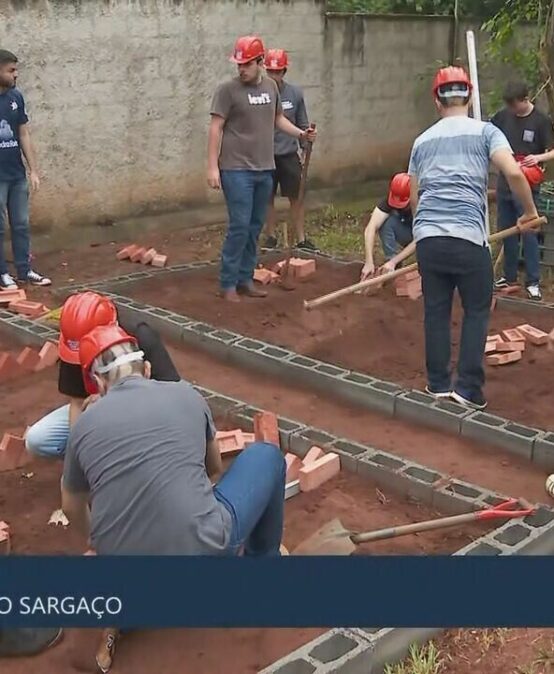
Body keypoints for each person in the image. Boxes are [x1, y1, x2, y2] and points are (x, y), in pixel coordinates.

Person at [381, 66, 537, 410]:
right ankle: (467, 390)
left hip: (430, 239)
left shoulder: (422, 141)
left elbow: (415, 193)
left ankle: (437, 384)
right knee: (476, 311)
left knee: (435, 311)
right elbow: (512, 171)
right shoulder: (487, 132)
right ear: (469, 96)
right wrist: (527, 213)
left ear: (437, 100)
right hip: (468, 238)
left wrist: (426, 228)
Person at [61, 324, 286, 556]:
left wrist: (96, 542)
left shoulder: (83, 425)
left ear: (98, 383)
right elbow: (213, 468)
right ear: (147, 369)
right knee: (266, 456)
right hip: (202, 548)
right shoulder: (186, 394)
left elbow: (70, 506)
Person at [207, 36, 317, 303]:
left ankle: (245, 278)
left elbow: (278, 119)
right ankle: (228, 283)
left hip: (264, 168)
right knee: (240, 225)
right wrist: (212, 167)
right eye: (238, 64)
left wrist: (302, 134)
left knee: (255, 226)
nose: (241, 69)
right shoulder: (227, 91)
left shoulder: (270, 87)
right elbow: (216, 127)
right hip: (235, 170)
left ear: (259, 62)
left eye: (246, 64)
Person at [25, 291, 180, 459]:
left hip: (147, 413)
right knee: (39, 439)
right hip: (97, 410)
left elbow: (173, 397)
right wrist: (78, 455)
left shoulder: (140, 336)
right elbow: (77, 403)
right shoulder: (74, 341)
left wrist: (113, 402)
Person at [491, 81, 554, 301]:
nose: (512, 110)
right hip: (505, 180)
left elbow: (552, 151)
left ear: (525, 100)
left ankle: (533, 281)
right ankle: (509, 277)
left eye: (515, 105)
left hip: (528, 182)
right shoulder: (502, 116)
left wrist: (537, 158)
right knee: (506, 229)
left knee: (528, 231)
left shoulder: (541, 121)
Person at [0, 49, 50, 290]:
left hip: (16, 173)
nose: (16, 75)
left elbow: (23, 133)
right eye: (11, 70)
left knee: (21, 224)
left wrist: (33, 170)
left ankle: (24, 269)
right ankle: (2, 274)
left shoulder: (16, 97)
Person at [261, 49, 315, 252]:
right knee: (267, 198)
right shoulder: (260, 94)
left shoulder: (295, 94)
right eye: (270, 72)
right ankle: (271, 237)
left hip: (288, 155)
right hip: (265, 155)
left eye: (278, 72)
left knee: (296, 196)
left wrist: (305, 142)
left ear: (284, 71)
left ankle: (301, 239)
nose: (274, 76)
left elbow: (302, 123)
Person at [360, 172, 413, 280]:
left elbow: (422, 237)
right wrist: (369, 262)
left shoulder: (424, 203)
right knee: (385, 222)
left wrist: (393, 262)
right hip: (408, 232)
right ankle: (393, 265)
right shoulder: (391, 199)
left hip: (428, 239)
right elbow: (371, 228)